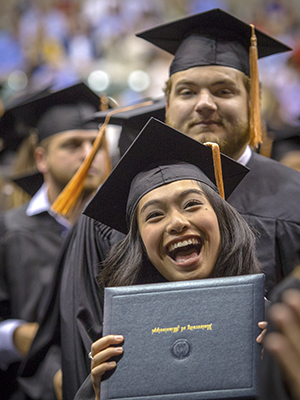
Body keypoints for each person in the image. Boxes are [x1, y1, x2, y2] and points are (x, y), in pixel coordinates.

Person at [75, 117, 263, 400]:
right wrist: (104, 393)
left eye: (192, 204)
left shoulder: (271, 325)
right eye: (154, 215)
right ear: (139, 244)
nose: (176, 223)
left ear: (223, 220)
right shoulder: (120, 348)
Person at [136, 8, 300, 297]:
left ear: (254, 100)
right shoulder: (132, 203)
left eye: (223, 91)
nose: (205, 104)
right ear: (167, 103)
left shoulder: (294, 200)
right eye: (187, 92)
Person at [0, 82, 111, 400]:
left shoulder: (120, 228)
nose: (88, 155)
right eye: (72, 144)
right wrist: (16, 336)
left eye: (95, 143)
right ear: (41, 158)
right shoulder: (10, 231)